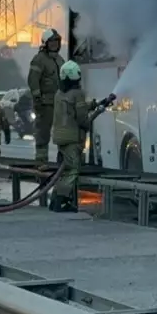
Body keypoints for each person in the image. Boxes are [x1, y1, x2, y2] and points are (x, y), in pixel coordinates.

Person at [49, 61, 110, 213]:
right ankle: (61, 202)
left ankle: (55, 200)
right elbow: (83, 120)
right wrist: (99, 111)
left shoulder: (59, 93)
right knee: (72, 171)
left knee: (63, 170)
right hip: (72, 139)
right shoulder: (78, 93)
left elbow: (73, 108)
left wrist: (95, 104)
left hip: (60, 137)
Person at [27, 28, 65, 165]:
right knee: (43, 135)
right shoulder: (39, 59)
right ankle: (41, 164)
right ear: (45, 43)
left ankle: (63, 163)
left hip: (60, 104)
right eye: (52, 41)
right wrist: (37, 98)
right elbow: (32, 80)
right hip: (45, 104)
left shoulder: (60, 60)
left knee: (63, 134)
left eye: (57, 41)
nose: (55, 44)